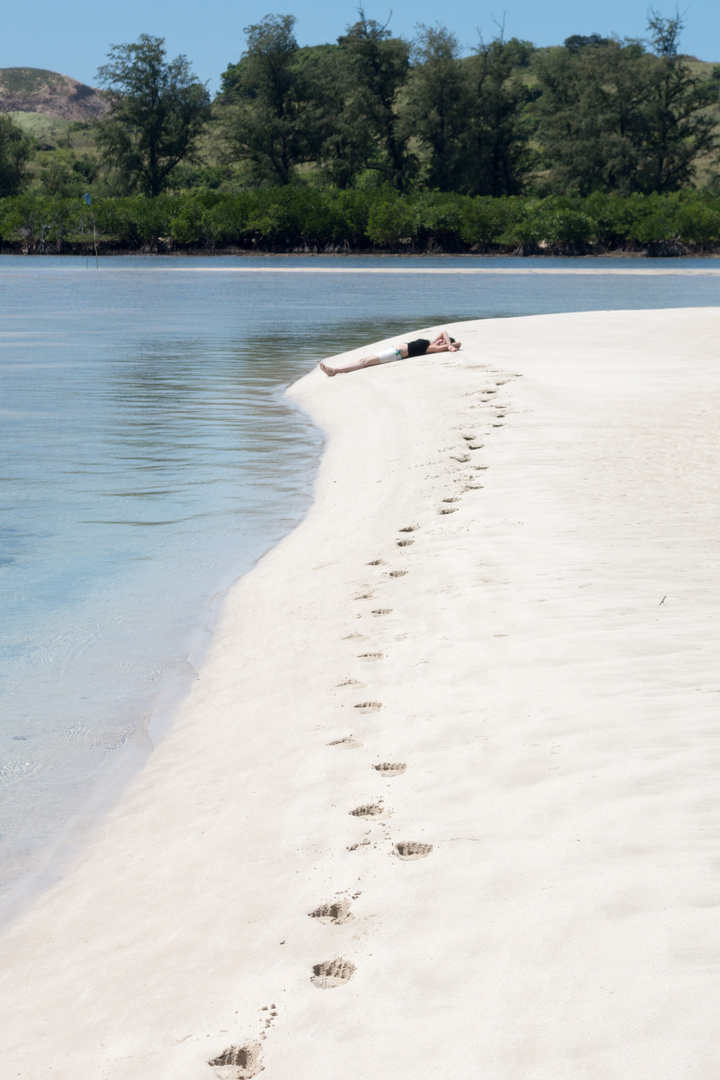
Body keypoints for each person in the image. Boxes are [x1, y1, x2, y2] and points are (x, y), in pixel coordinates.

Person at [319, 330, 460, 376]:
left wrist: (449, 345)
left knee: (365, 363)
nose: (441, 341)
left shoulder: (435, 348)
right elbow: (443, 332)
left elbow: (456, 343)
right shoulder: (433, 342)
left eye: (444, 342)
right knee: (364, 360)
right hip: (393, 350)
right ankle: (336, 370)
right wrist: (442, 340)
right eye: (442, 341)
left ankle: (335, 371)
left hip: (396, 355)